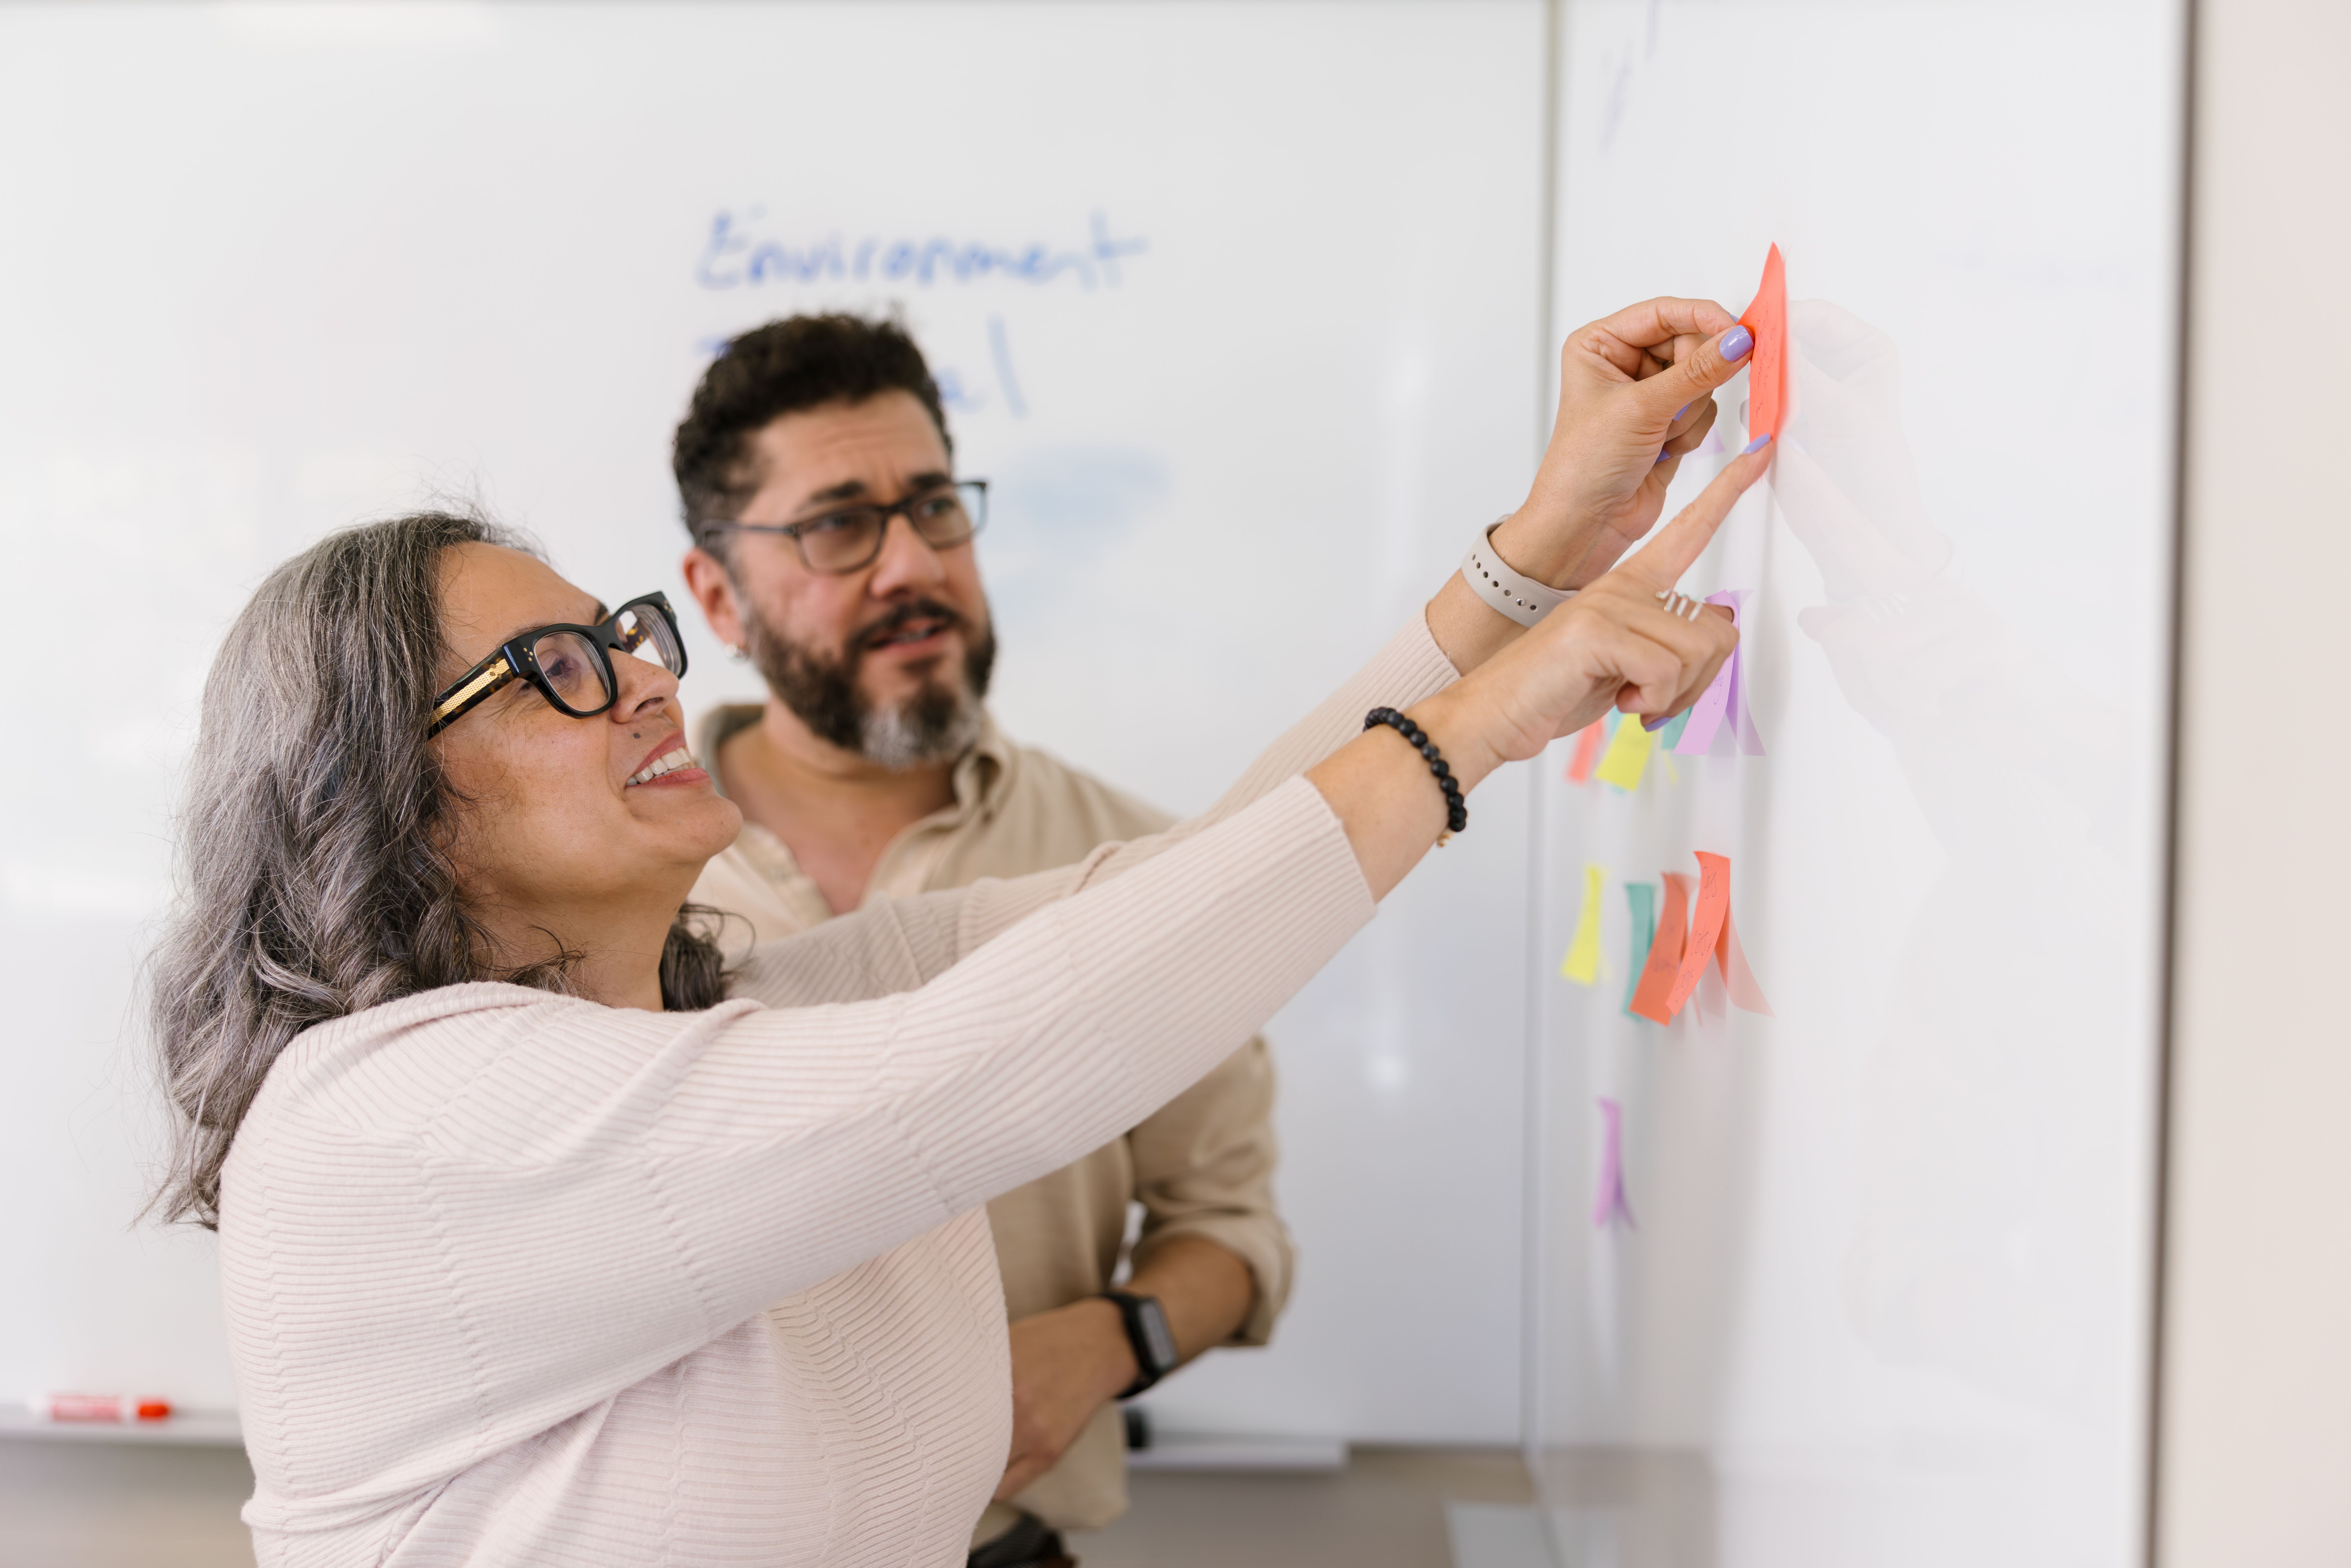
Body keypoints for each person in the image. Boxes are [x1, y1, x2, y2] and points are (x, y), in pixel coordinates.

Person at [148, 297, 1763, 1567]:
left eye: (615, 634)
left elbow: (1181, 895)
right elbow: (975, 1071)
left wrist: (1540, 557)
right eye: (559, 668)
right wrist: (1479, 727)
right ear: (382, 794)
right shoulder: (392, 1121)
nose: (642, 675)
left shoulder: (729, 1011)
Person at [668, 315, 1286, 1566]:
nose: (910, 565)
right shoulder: (612, 876)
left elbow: (1231, 1231)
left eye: (934, 506)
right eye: (839, 524)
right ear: (719, 595)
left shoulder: (1134, 864)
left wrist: (1114, 1338)